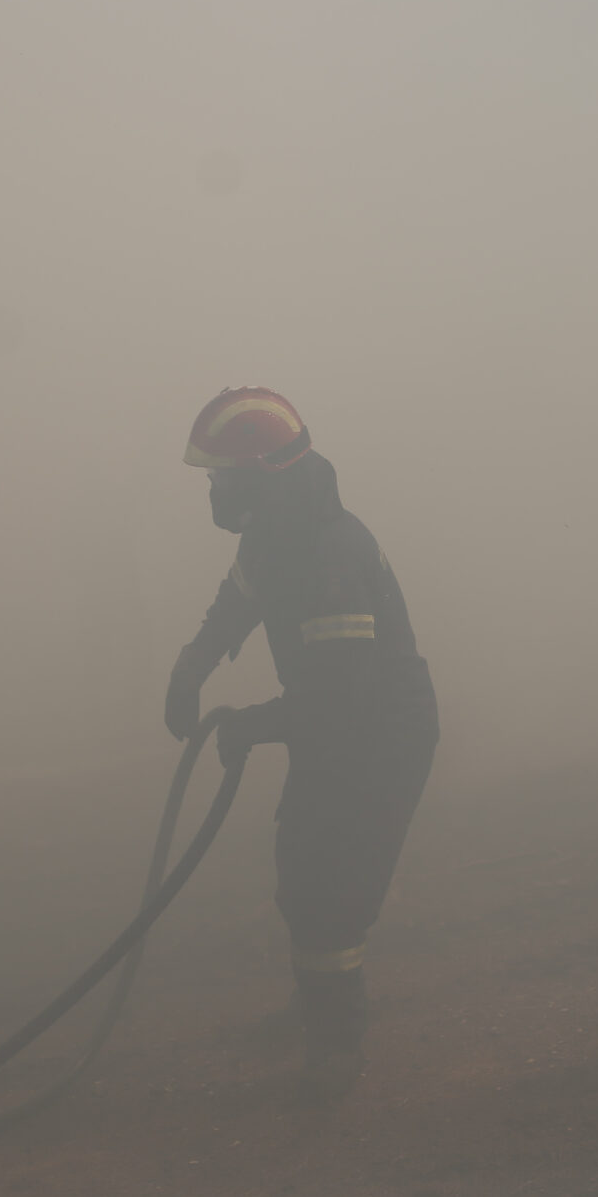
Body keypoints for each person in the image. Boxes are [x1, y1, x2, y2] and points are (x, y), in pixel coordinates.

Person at [165, 387, 439, 1102]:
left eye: (222, 476)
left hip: (382, 734)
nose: (215, 491)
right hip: (336, 724)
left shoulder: (330, 555)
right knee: (303, 869)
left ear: (262, 474)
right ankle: (315, 1011)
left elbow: (340, 699)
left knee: (333, 889)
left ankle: (337, 1048)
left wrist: (255, 723)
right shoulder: (274, 537)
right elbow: (237, 602)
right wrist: (192, 663)